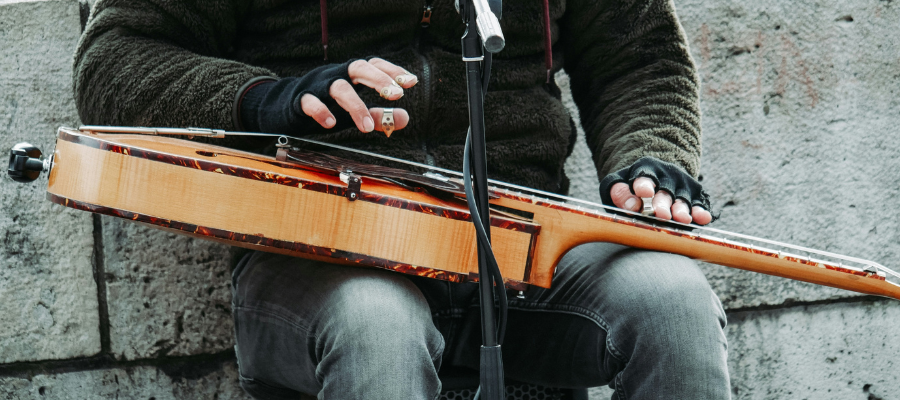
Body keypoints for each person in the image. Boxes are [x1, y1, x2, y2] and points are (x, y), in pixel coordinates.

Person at [73, 0, 728, 398]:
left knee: (672, 302)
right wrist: (266, 99)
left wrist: (652, 156)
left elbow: (640, 59)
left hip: (524, 247)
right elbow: (116, 57)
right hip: (320, 251)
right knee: (375, 325)